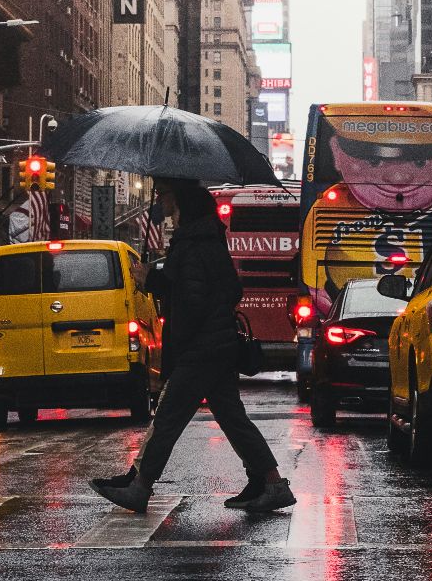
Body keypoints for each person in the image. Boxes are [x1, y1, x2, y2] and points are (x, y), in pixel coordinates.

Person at [90, 178, 294, 514]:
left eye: (165, 194)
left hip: (201, 349)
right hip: (218, 346)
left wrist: (152, 283)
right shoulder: (206, 239)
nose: (162, 201)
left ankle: (140, 486)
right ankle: (271, 483)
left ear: (181, 201)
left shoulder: (193, 243)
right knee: (231, 417)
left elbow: (192, 300)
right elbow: (222, 290)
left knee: (168, 416)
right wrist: (159, 281)